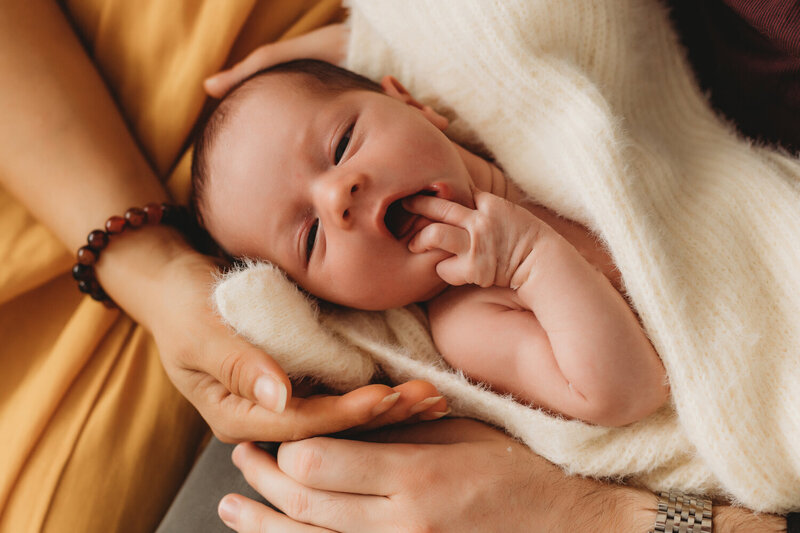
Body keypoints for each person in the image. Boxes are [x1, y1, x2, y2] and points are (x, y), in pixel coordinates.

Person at [0, 2, 792, 533]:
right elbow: (623, 391)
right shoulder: (469, 318)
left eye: (342, 145)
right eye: (309, 236)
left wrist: (390, 39)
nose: (339, 195)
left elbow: (560, 38)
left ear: (410, 103)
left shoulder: (506, 124)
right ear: (330, 301)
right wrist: (524, 258)